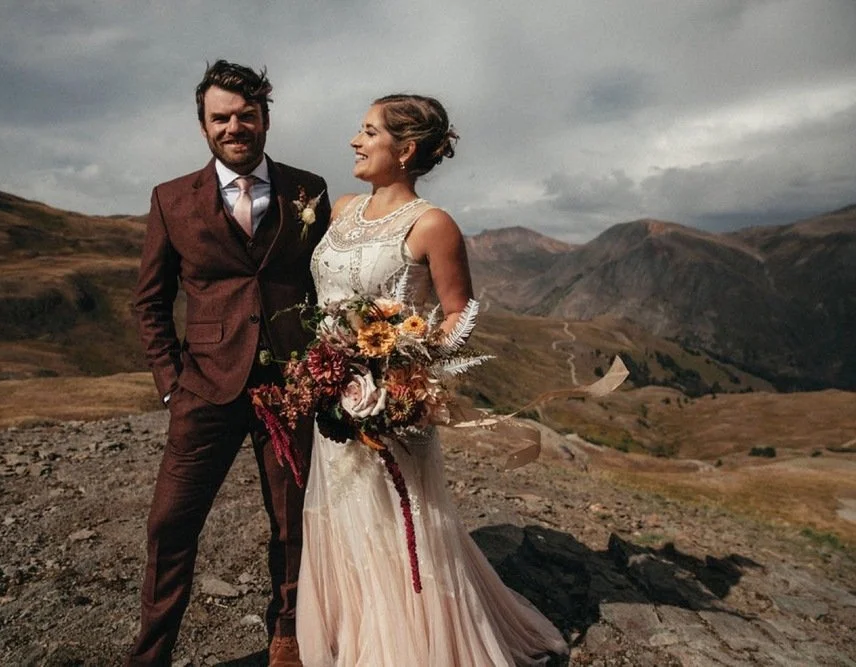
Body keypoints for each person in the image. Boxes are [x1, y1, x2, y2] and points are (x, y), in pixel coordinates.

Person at [296, 94, 570, 665]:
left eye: (368, 131)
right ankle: (355, 638)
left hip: (391, 407)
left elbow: (458, 317)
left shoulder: (432, 225)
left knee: (399, 523)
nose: (354, 140)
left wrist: (401, 365)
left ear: (406, 149)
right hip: (335, 399)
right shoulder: (342, 207)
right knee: (343, 517)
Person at [129, 60, 330, 666]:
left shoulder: (309, 190)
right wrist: (171, 383)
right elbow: (150, 300)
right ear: (204, 127)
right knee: (169, 527)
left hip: (292, 385)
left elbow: (326, 285)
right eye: (221, 118)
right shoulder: (171, 199)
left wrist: (326, 368)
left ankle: (288, 634)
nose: (234, 126)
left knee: (294, 522)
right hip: (204, 388)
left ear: (265, 118)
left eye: (246, 115)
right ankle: (151, 655)